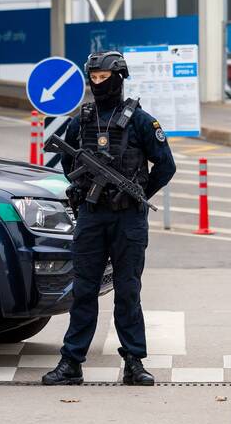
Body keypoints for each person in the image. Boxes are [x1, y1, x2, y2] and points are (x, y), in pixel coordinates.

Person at [42, 50, 176, 387]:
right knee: (84, 290)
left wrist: (137, 192)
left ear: (118, 77)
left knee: (127, 291)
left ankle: (134, 362)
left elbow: (166, 165)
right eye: (94, 78)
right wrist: (83, 182)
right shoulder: (82, 118)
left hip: (128, 219)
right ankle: (71, 363)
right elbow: (65, 159)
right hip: (91, 216)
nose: (99, 84)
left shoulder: (142, 121)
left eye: (104, 78)